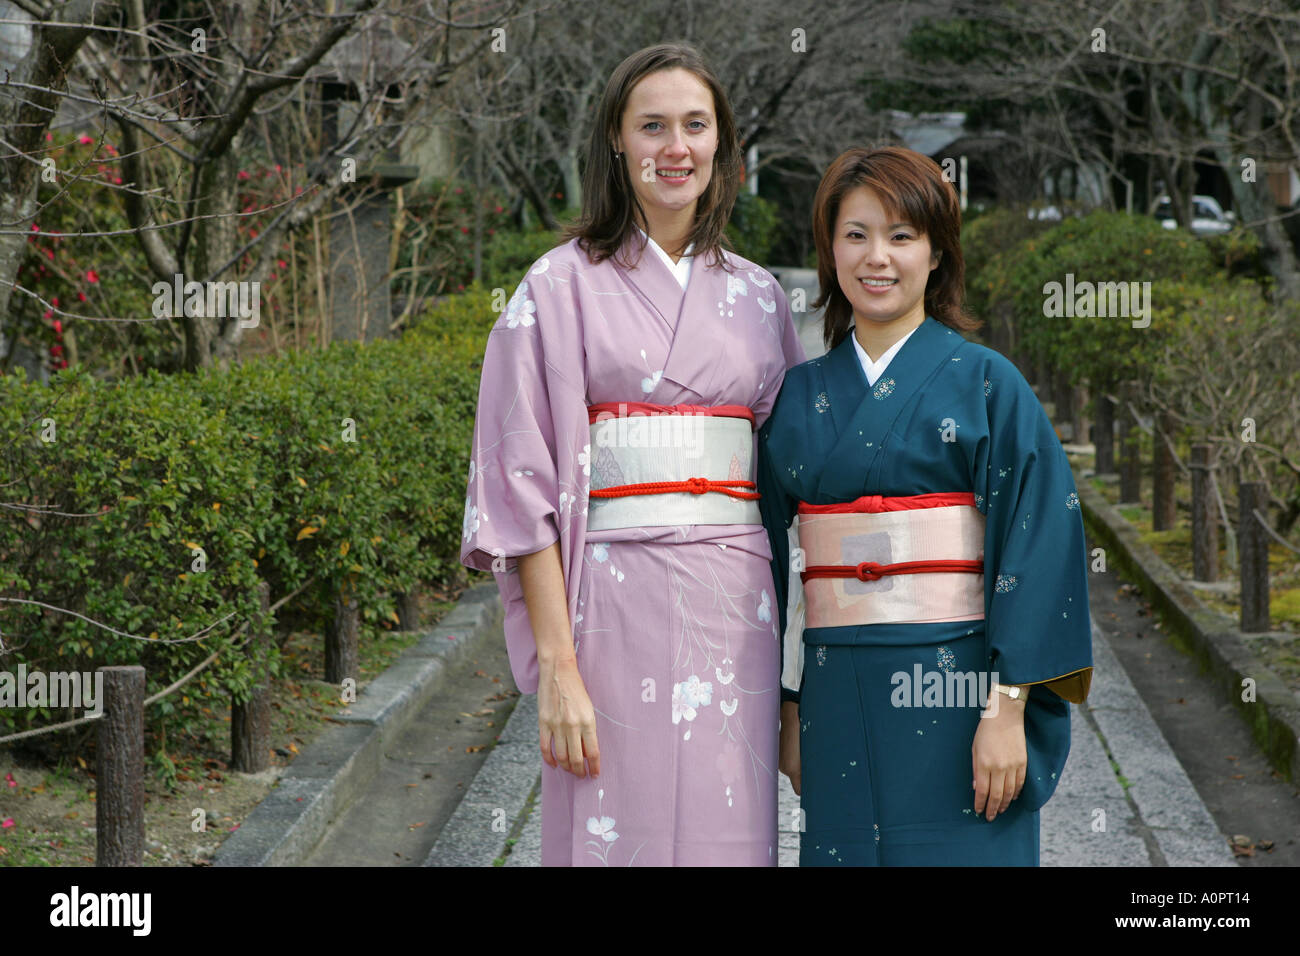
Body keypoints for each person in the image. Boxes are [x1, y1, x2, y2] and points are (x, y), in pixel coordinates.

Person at [460, 43, 805, 866]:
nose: (674, 147)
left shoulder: (759, 296)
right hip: (608, 609)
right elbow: (519, 486)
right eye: (651, 126)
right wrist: (559, 668)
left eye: (695, 125)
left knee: (730, 827)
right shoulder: (555, 286)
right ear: (617, 139)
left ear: (722, 143)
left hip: (736, 601)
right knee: (614, 829)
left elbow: (797, 475)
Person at [758, 145, 1093, 866]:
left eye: (901, 236)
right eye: (856, 235)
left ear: (937, 253)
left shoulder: (987, 384)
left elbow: (1037, 551)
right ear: (829, 249)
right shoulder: (795, 400)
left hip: (962, 688)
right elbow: (765, 568)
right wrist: (787, 704)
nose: (877, 258)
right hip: (836, 690)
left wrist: (1006, 711)